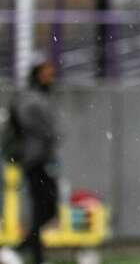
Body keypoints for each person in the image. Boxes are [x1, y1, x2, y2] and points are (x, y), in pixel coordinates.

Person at [9, 62, 59, 264]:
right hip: (34, 160)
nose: (51, 78)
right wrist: (49, 134)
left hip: (42, 159)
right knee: (43, 209)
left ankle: (28, 252)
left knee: (46, 210)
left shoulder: (38, 96)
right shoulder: (30, 98)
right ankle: (21, 250)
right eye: (47, 74)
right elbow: (33, 124)